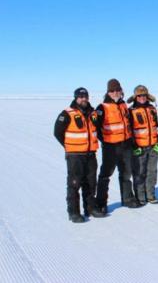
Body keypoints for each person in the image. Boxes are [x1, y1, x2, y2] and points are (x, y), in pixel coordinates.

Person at [54, 88, 106, 223]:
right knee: (74, 183)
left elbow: (98, 130)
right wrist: (69, 147)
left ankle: (90, 208)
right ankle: (73, 211)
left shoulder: (93, 113)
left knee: (90, 183)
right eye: (81, 96)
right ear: (76, 98)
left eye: (85, 96)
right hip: (75, 156)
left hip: (90, 154)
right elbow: (57, 132)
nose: (83, 99)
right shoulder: (67, 113)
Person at [95, 79, 141, 214]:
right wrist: (105, 140)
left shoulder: (124, 106)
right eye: (112, 90)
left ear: (121, 91)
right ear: (108, 92)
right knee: (105, 174)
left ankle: (127, 198)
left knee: (126, 173)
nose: (115, 93)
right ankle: (101, 203)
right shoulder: (102, 108)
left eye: (117, 90)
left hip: (125, 145)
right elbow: (95, 128)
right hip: (111, 147)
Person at [128, 85, 158, 205]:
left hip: (153, 146)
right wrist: (134, 146)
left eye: (144, 95)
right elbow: (129, 131)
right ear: (135, 97)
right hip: (139, 147)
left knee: (152, 171)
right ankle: (140, 196)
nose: (142, 97)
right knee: (139, 172)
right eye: (139, 95)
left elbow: (157, 127)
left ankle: (150, 195)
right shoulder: (131, 111)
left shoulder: (152, 109)